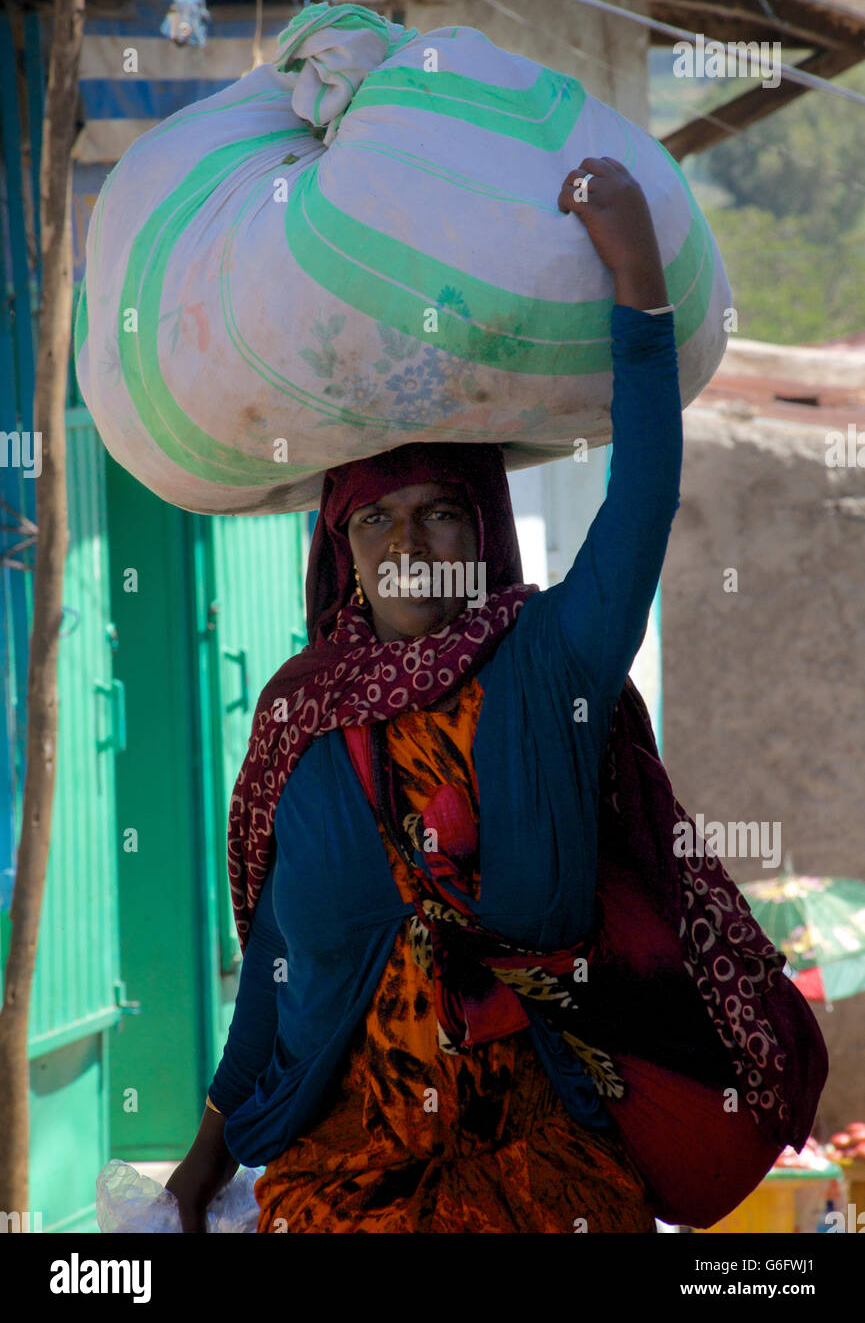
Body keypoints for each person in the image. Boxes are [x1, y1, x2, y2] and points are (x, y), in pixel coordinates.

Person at [165, 158, 827, 1233]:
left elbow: (643, 497)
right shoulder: (302, 718)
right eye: (377, 522)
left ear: (485, 532)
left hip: (544, 1180)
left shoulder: (544, 664)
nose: (409, 544)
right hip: (344, 1184)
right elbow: (276, 976)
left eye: (440, 513)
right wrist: (201, 1164)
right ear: (342, 551)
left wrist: (636, 285)